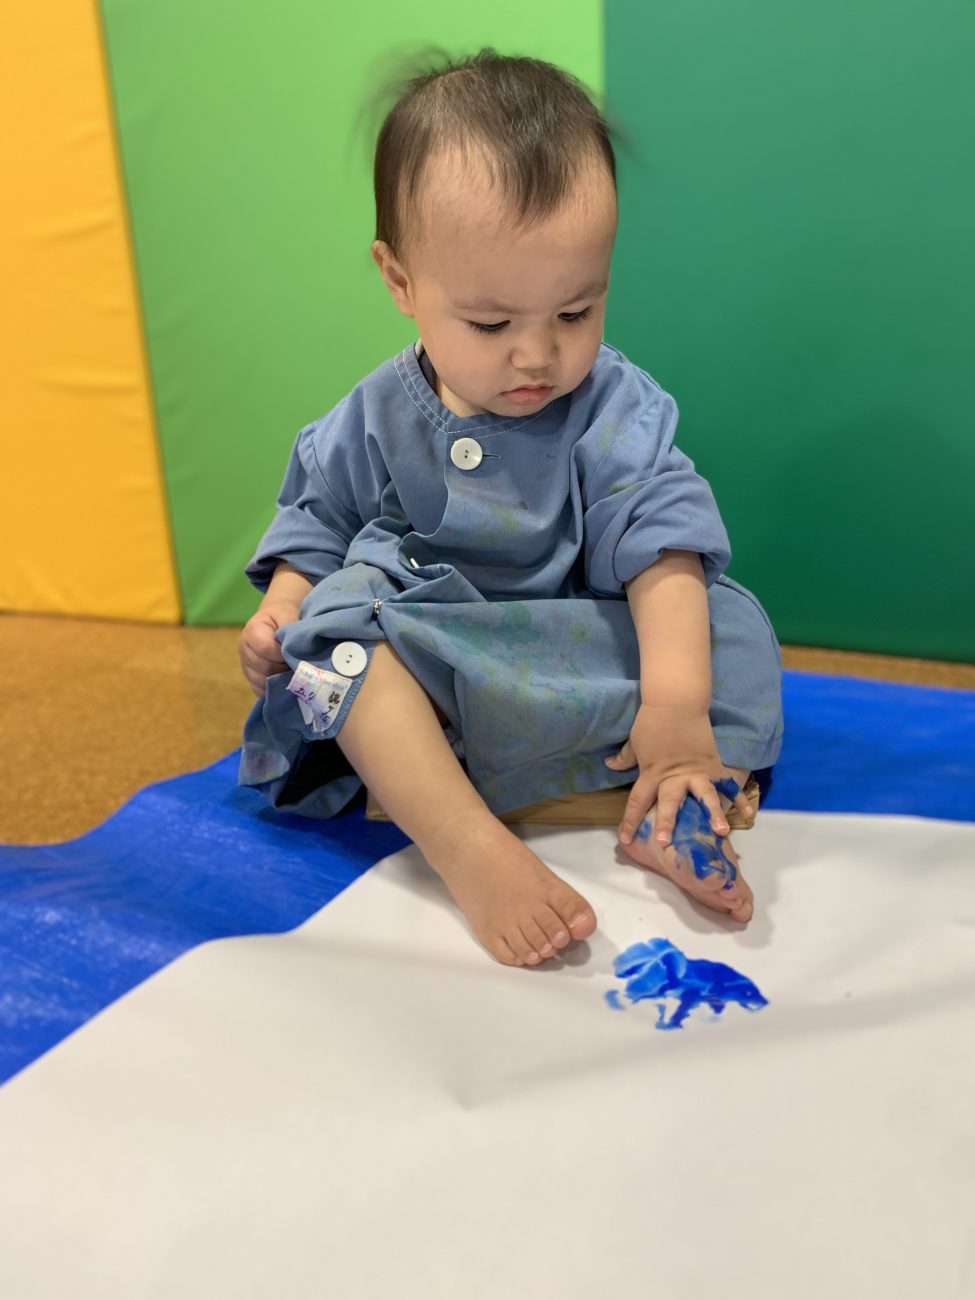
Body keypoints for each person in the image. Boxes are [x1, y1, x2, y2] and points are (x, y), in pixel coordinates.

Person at [236, 49, 783, 968]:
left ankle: (677, 796)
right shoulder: (371, 417)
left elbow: (661, 542)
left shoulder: (613, 406)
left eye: (575, 312)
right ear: (400, 281)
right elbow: (318, 523)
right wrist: (283, 603)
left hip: (577, 656)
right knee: (329, 651)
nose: (537, 356)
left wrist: (677, 711)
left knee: (720, 627)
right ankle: (465, 842)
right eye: (491, 325)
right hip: (439, 670)